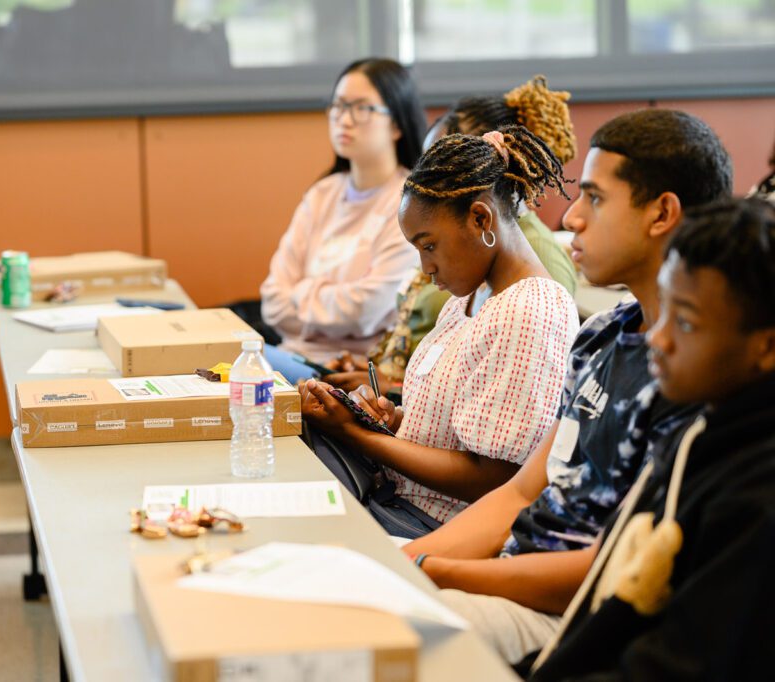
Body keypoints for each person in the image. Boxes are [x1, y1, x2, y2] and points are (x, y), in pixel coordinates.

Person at [399, 109, 732, 664]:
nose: (572, 218)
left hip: (568, 614)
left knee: (375, 640)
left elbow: (611, 566)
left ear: (661, 213)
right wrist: (408, 560)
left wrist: (437, 572)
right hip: (509, 568)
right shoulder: (605, 334)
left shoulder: (694, 375)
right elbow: (523, 492)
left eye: (595, 199)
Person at [529, 198, 775, 680]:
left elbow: (676, 665)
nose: (657, 340)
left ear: (766, 346)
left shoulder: (756, 500)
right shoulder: (700, 431)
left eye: (684, 322)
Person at [301, 124, 579, 539]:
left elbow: (492, 477)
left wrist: (355, 433)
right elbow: (452, 436)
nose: (425, 266)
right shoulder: (467, 300)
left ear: (480, 218)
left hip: (437, 528)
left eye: (428, 246)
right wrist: (392, 423)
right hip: (398, 500)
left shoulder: (530, 309)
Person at [325, 76, 578, 396]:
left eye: (442, 159)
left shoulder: (534, 265)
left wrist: (391, 393)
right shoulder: (460, 251)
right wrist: (372, 374)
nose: (428, 174)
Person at [260, 58, 426, 383]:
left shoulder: (411, 202)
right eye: (338, 106)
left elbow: (369, 308)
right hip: (288, 358)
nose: (344, 120)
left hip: (352, 373)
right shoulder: (322, 194)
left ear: (396, 124)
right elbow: (272, 303)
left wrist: (303, 293)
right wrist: (335, 302)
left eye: (362, 108)